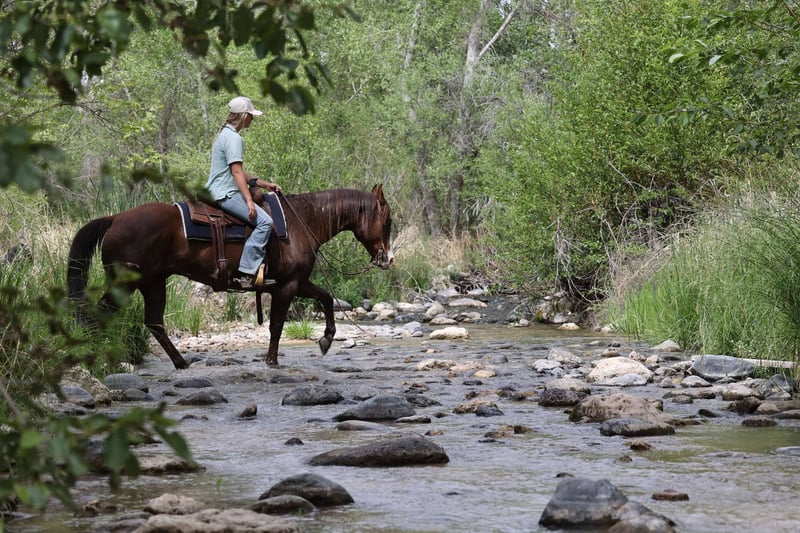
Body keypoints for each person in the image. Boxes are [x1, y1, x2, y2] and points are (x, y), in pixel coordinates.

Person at [205, 96, 282, 289]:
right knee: (265, 222)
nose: (252, 119)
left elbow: (239, 171)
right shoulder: (234, 138)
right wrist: (249, 201)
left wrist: (264, 184)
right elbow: (236, 172)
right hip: (225, 193)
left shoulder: (224, 134)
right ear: (243, 116)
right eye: (251, 115)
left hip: (214, 190)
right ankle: (246, 274)